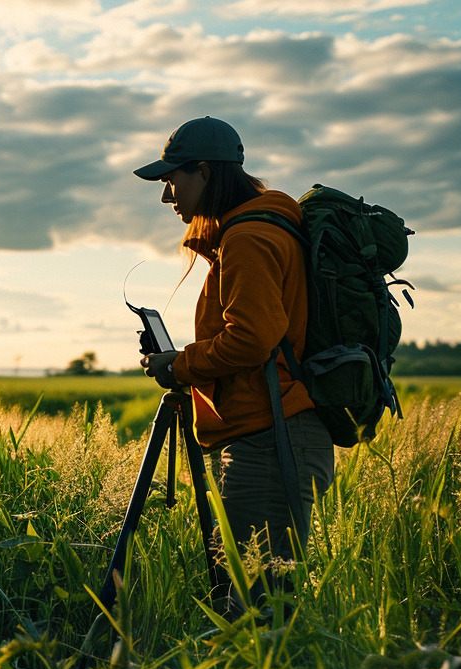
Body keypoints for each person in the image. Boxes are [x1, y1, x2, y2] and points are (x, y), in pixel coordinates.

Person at [133, 116, 334, 612]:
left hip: (272, 440)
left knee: (258, 605)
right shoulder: (256, 231)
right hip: (271, 432)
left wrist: (180, 366)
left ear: (203, 172)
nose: (166, 196)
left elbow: (250, 340)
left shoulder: (248, 238)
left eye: (171, 180)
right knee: (254, 596)